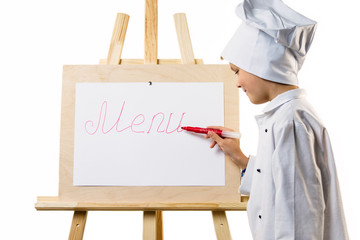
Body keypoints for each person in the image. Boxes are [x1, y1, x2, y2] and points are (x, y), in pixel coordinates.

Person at [206, 0, 349, 239]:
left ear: (261, 64)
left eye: (237, 71)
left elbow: (297, 217)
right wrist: (241, 159)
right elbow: (277, 185)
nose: (237, 82)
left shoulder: (290, 121)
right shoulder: (288, 115)